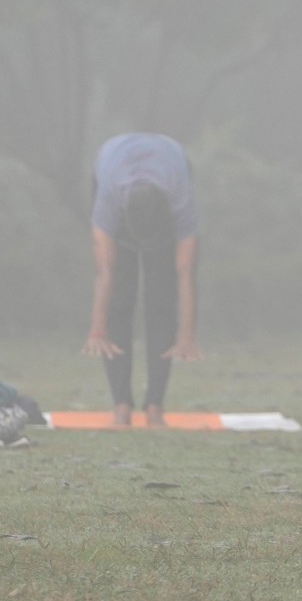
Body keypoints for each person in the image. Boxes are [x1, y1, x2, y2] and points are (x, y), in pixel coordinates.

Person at [82, 133, 201, 427]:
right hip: (113, 165)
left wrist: (186, 336)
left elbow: (185, 274)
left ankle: (154, 407)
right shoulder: (109, 203)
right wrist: (97, 330)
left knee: (161, 303)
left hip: (171, 162)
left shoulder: (180, 200)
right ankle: (121, 406)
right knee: (120, 301)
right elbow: (105, 272)